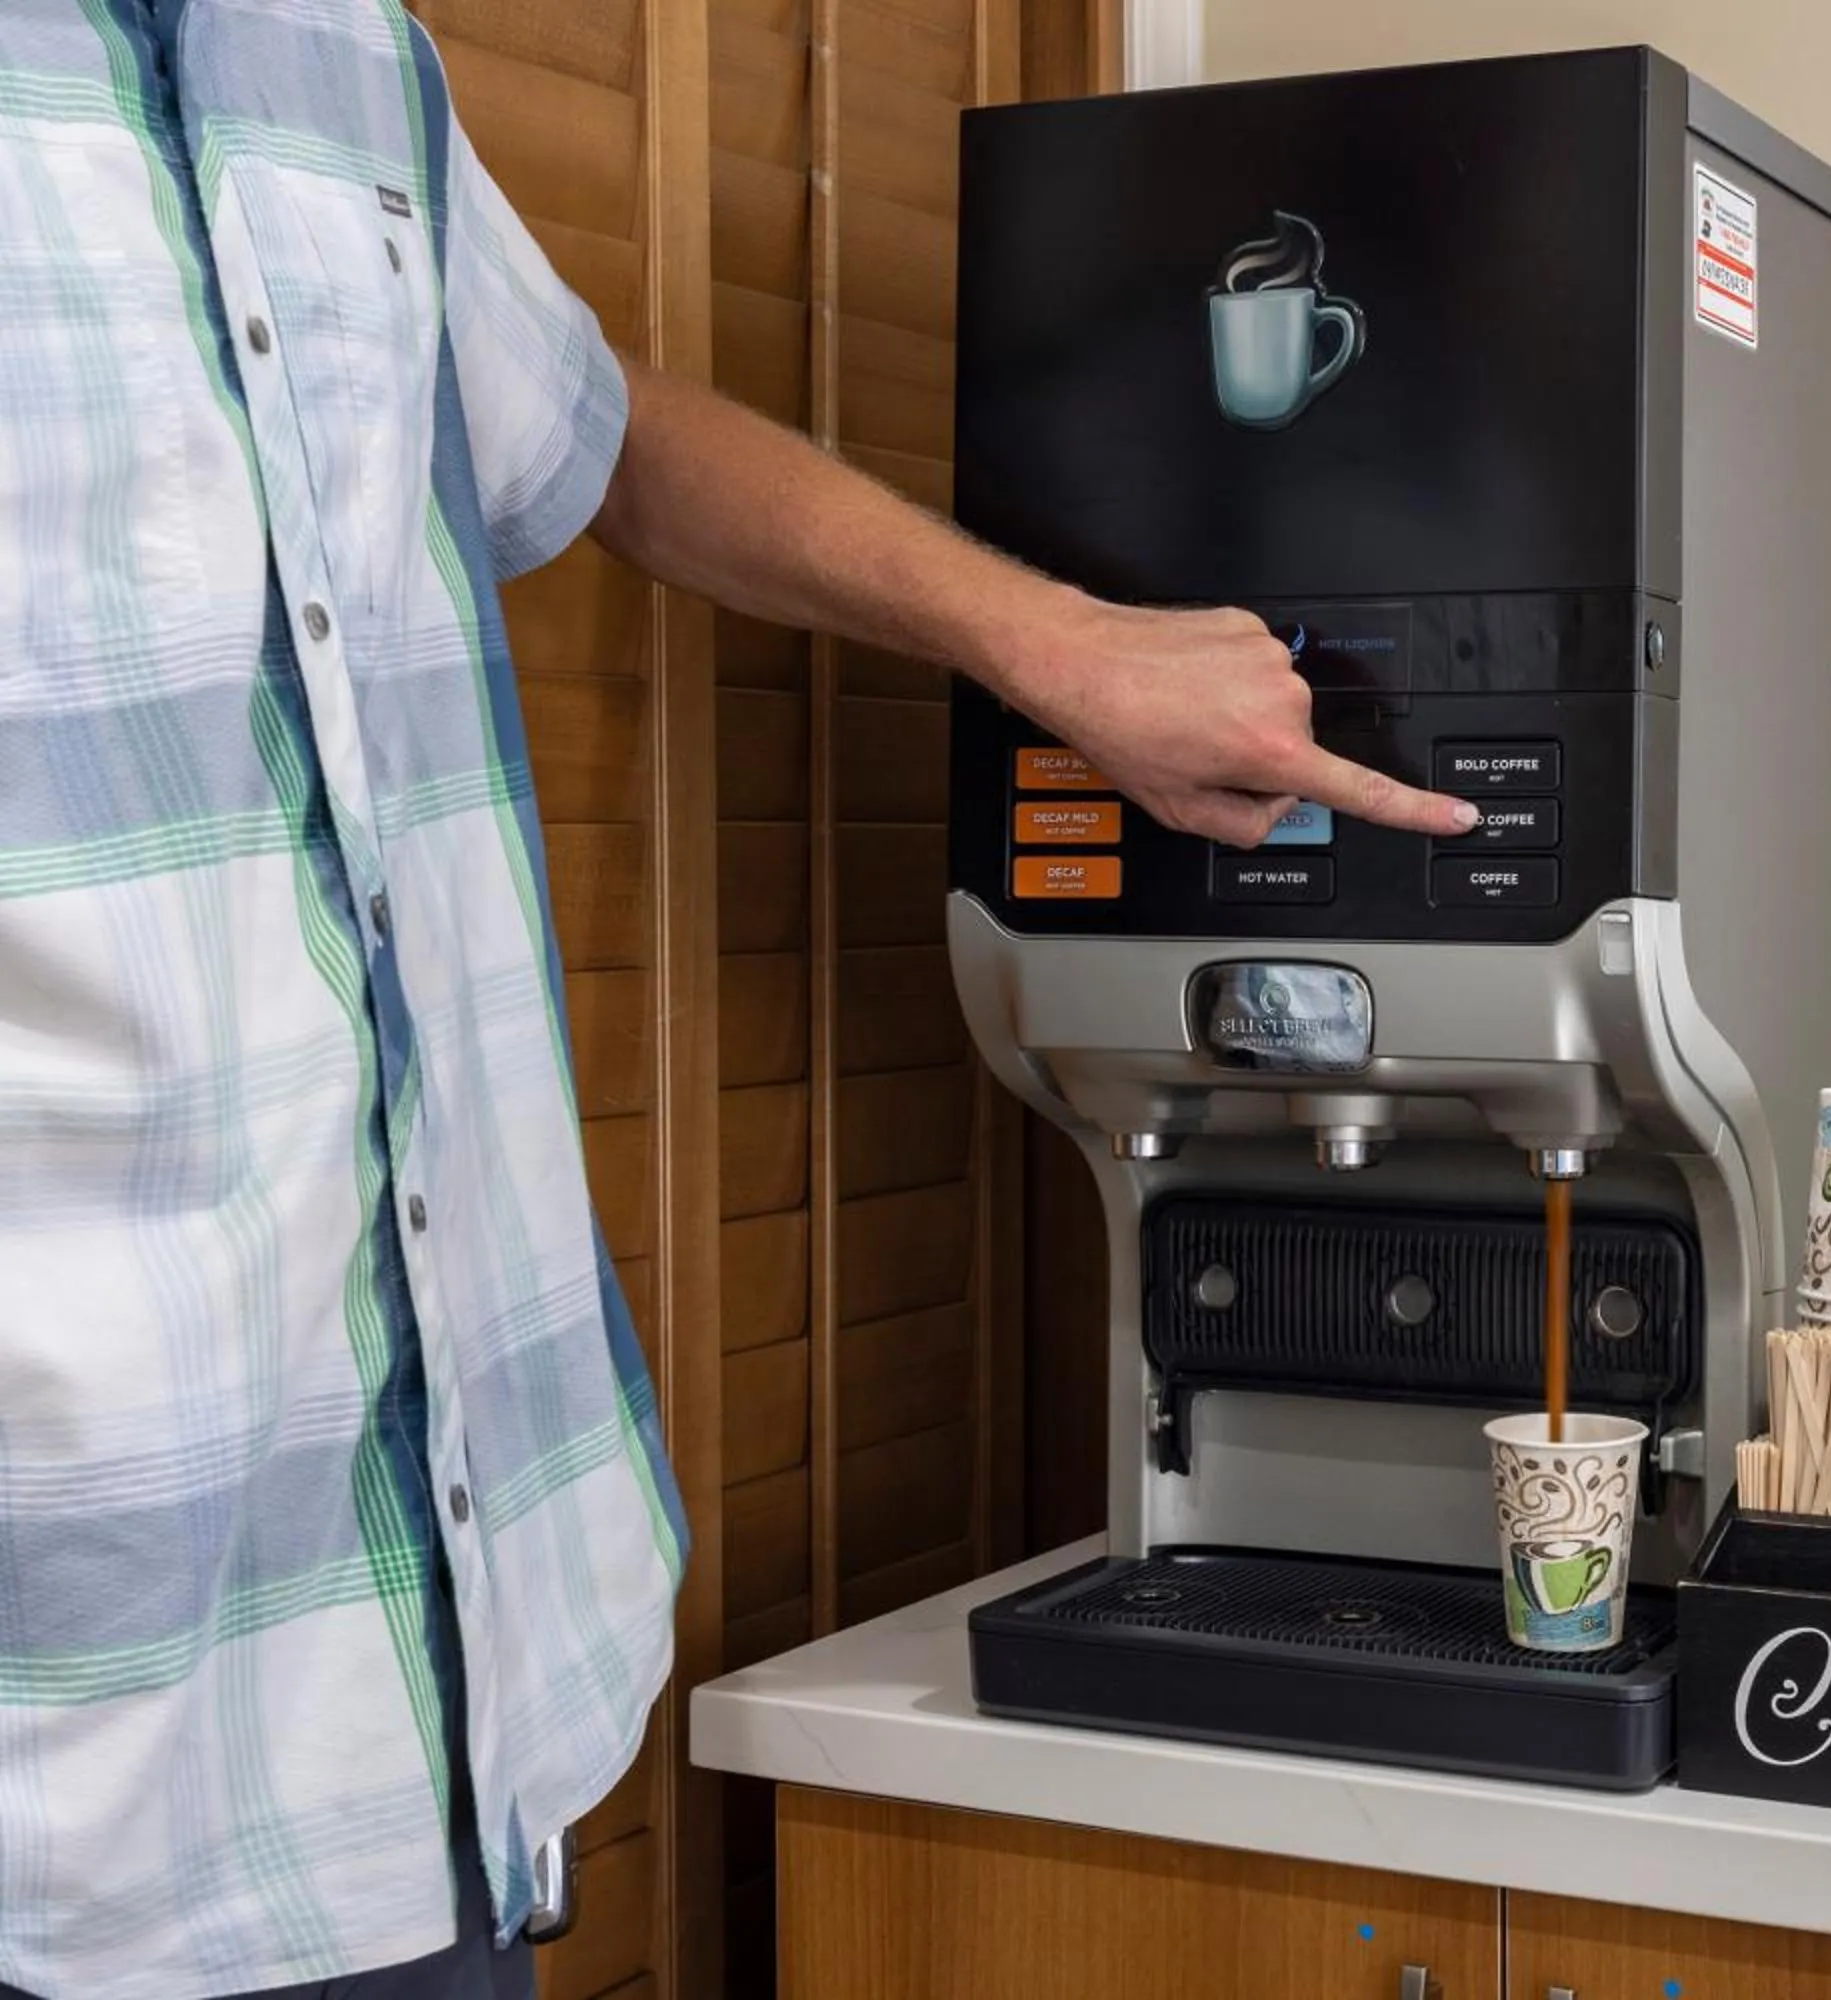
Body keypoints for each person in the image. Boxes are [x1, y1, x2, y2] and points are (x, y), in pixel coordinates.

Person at [0, 6, 1473, 1998]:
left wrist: (1060, 646)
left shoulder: (331, 46)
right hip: (74, 1706)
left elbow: (595, 433)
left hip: (436, 1681)